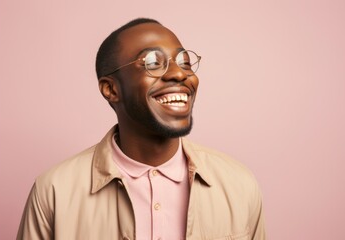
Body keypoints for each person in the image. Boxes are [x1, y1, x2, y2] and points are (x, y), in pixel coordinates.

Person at [17, 18, 266, 240]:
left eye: (185, 62)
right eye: (152, 63)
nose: (179, 73)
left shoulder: (240, 185)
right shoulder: (54, 191)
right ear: (111, 89)